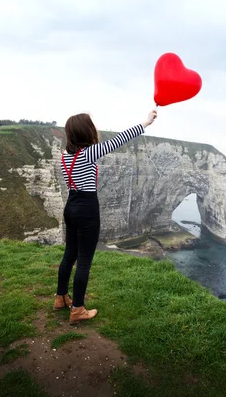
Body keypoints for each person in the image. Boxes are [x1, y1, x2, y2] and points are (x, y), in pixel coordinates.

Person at [53, 109, 158, 324]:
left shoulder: (65, 156)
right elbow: (119, 140)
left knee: (69, 255)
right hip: (86, 209)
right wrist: (145, 123)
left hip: (70, 206)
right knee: (84, 261)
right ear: (86, 131)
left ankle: (60, 297)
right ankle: (78, 309)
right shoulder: (88, 154)